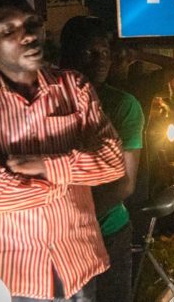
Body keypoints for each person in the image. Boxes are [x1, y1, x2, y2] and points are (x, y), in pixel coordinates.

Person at [0, 0, 125, 301]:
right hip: (7, 277)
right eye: (8, 30)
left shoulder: (73, 86)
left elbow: (113, 161)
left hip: (77, 265)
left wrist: (46, 166)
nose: (27, 36)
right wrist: (61, 181)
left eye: (31, 24)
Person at [59, 15, 144, 302]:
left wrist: (76, 220)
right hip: (58, 238)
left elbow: (125, 183)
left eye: (105, 52)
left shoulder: (123, 105)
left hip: (108, 232)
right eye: (90, 52)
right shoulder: (48, 99)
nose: (101, 60)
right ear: (67, 55)